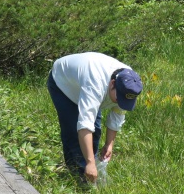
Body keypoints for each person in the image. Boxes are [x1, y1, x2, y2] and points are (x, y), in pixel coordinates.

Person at [47, 52, 143, 184]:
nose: (119, 102)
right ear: (112, 83)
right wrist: (90, 162)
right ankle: (79, 179)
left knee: (95, 131)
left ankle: (91, 173)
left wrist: (109, 144)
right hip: (64, 84)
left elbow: (117, 114)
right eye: (118, 98)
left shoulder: (129, 84)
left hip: (87, 84)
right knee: (73, 133)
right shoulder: (95, 84)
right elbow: (85, 126)